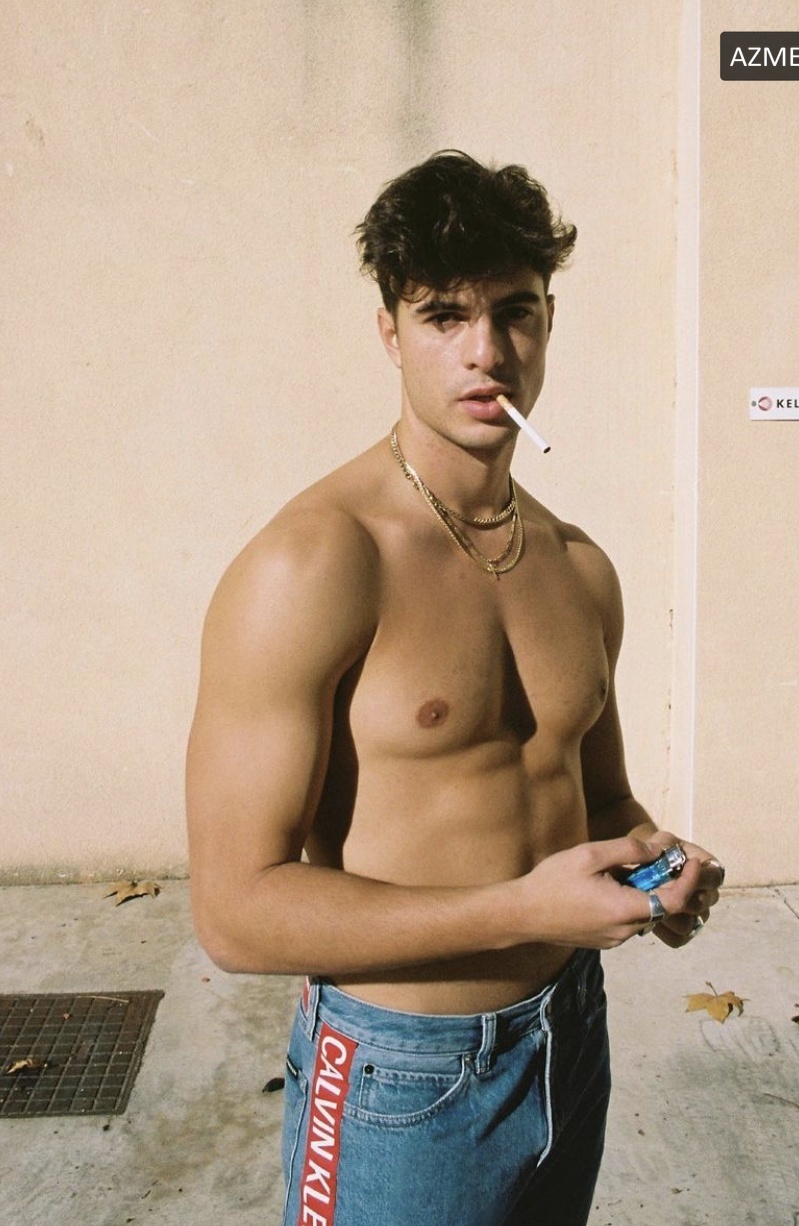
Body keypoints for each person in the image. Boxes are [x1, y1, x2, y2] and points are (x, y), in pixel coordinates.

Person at [186, 149, 725, 1226]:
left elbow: (597, 796)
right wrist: (523, 908)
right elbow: (234, 912)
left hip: (567, 1032)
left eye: (514, 312)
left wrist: (654, 864)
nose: (487, 352)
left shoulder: (578, 566)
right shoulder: (315, 562)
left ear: (548, 321)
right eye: (444, 316)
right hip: (404, 1074)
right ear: (390, 332)